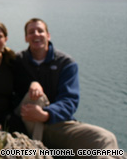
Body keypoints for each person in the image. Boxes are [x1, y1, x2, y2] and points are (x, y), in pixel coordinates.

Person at [14, 18, 120, 156]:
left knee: (105, 139)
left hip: (56, 124)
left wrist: (46, 114)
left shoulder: (65, 63)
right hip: (26, 120)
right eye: (31, 32)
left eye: (40, 31)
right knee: (36, 98)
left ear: (48, 35)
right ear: (26, 38)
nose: (36, 34)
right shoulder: (17, 60)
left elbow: (69, 100)